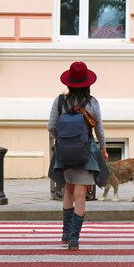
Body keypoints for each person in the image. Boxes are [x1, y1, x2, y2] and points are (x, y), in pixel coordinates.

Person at [48, 61, 109, 250]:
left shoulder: (59, 101)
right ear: (87, 83)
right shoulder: (92, 103)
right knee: (80, 194)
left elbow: (51, 127)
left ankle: (65, 234)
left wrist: (64, 140)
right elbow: (99, 130)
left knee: (68, 189)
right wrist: (104, 149)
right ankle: (74, 239)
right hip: (85, 153)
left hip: (65, 153)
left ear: (68, 83)